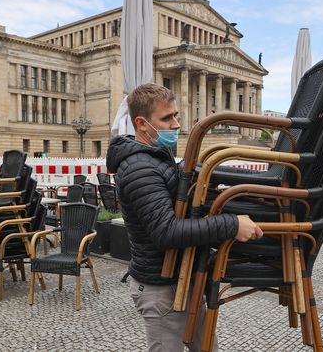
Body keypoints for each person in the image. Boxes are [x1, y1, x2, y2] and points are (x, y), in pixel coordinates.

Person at [106, 83, 263, 352]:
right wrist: (231, 224)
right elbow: (166, 232)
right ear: (142, 124)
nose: (177, 124)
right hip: (161, 289)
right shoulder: (138, 167)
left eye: (176, 115)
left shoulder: (157, 157)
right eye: (167, 118)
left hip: (182, 280)